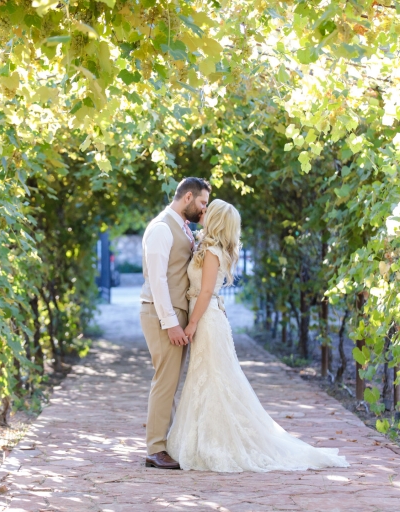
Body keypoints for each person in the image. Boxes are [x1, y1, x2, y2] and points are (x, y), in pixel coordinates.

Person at [166, 199, 349, 472]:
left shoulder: (214, 251)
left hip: (205, 319)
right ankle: (202, 437)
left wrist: (191, 323)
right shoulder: (206, 246)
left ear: (215, 220)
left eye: (207, 210)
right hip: (206, 315)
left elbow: (205, 292)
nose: (202, 211)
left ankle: (219, 442)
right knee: (204, 377)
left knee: (215, 378)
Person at [140, 177, 211, 470]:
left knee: (171, 381)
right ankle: (155, 449)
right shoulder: (160, 229)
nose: (204, 209)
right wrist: (170, 323)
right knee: (165, 381)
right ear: (188, 197)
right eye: (203, 203)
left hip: (174, 312)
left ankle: (163, 443)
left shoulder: (181, 226)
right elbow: (156, 280)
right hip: (161, 315)